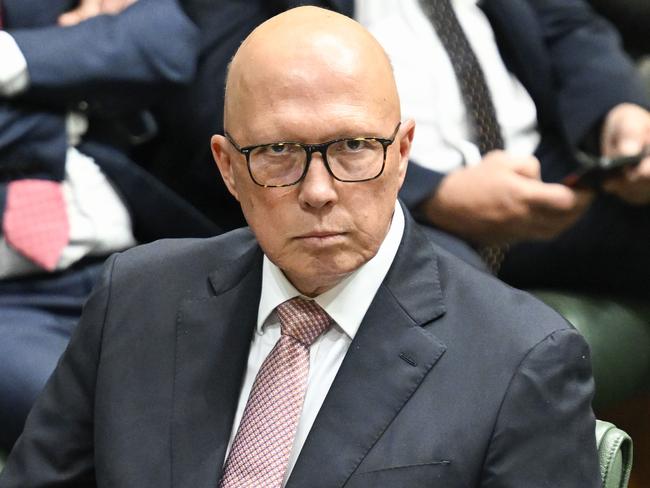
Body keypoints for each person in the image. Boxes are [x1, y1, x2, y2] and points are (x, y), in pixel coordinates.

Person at [0, 6, 600, 487]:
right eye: (277, 153)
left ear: (402, 152)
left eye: (353, 147)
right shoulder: (132, 299)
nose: (318, 192)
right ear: (228, 167)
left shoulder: (522, 358)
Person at [0, 0, 219, 451]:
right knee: (111, 427)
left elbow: (163, 41)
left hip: (132, 265)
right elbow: (110, 54)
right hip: (11, 305)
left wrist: (11, 57)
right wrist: (62, 94)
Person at [353, 0, 650, 295]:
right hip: (399, 199)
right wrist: (432, 195)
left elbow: (568, 27)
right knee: (461, 296)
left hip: (539, 168)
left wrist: (616, 111)